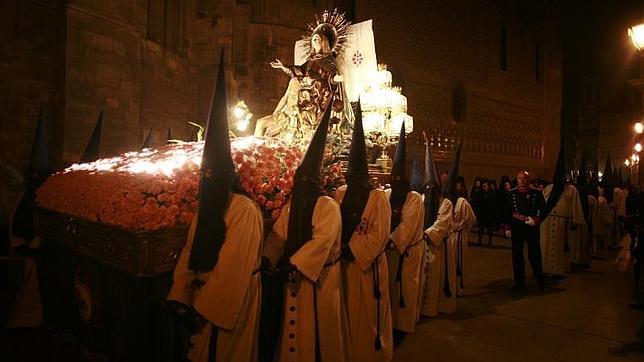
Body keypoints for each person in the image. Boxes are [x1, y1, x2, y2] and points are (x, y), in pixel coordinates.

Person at [168, 56, 263, 362]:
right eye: (202, 176)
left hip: (227, 304)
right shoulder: (208, 206)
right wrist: (180, 294)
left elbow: (232, 271)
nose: (205, 181)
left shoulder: (244, 211)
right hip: (200, 297)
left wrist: (204, 307)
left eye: (210, 177)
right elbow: (190, 249)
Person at [262, 103, 350, 362]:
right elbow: (279, 234)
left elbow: (321, 241)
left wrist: (296, 263)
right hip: (295, 275)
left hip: (319, 279)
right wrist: (269, 256)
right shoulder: (293, 206)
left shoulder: (328, 206)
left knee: (319, 333)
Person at [336, 101, 393, 361]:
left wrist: (353, 249)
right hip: (345, 266)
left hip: (365, 267)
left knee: (368, 315)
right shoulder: (341, 193)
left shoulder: (378, 199)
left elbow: (378, 237)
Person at [268, 10, 352, 142]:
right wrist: (283, 67)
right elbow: (299, 70)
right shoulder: (311, 60)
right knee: (294, 81)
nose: (315, 41)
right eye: (313, 39)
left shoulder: (328, 58)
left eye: (318, 39)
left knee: (299, 86)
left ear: (324, 41)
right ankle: (283, 112)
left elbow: (330, 75)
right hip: (307, 87)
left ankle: (288, 113)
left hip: (319, 91)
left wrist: (335, 79)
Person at [386, 122, 424, 344]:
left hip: (406, 250)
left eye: (400, 181)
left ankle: (403, 326)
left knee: (406, 288)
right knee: (392, 287)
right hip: (391, 248)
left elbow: (407, 228)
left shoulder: (414, 199)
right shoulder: (388, 194)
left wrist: (391, 241)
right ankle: (391, 322)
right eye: (393, 180)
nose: (396, 184)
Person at [421, 145, 463, 315]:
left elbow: (441, 224)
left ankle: (435, 307)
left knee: (437, 278)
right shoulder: (423, 199)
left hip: (437, 246)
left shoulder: (445, 203)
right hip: (421, 244)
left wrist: (426, 234)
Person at [540, 149, 585, 277]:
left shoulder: (572, 190)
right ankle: (545, 269)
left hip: (562, 222)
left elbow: (576, 206)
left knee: (559, 247)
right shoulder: (549, 188)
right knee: (546, 246)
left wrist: (575, 222)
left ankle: (558, 271)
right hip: (547, 222)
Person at [505, 171, 545, 291]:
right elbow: (507, 212)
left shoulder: (536, 194)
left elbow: (544, 209)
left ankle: (539, 278)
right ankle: (519, 282)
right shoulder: (511, 194)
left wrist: (536, 220)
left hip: (531, 226)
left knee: (534, 254)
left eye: (524, 178)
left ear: (528, 180)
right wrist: (507, 227)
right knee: (517, 256)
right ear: (517, 180)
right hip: (517, 227)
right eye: (519, 178)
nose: (522, 180)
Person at [477, 179, 496, 246]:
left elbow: (494, 206)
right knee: (480, 229)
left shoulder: (492, 195)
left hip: (489, 215)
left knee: (489, 230)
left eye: (485, 186)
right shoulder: (480, 194)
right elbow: (478, 204)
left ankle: (489, 241)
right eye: (483, 186)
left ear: (488, 186)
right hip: (481, 214)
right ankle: (480, 241)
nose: (484, 187)